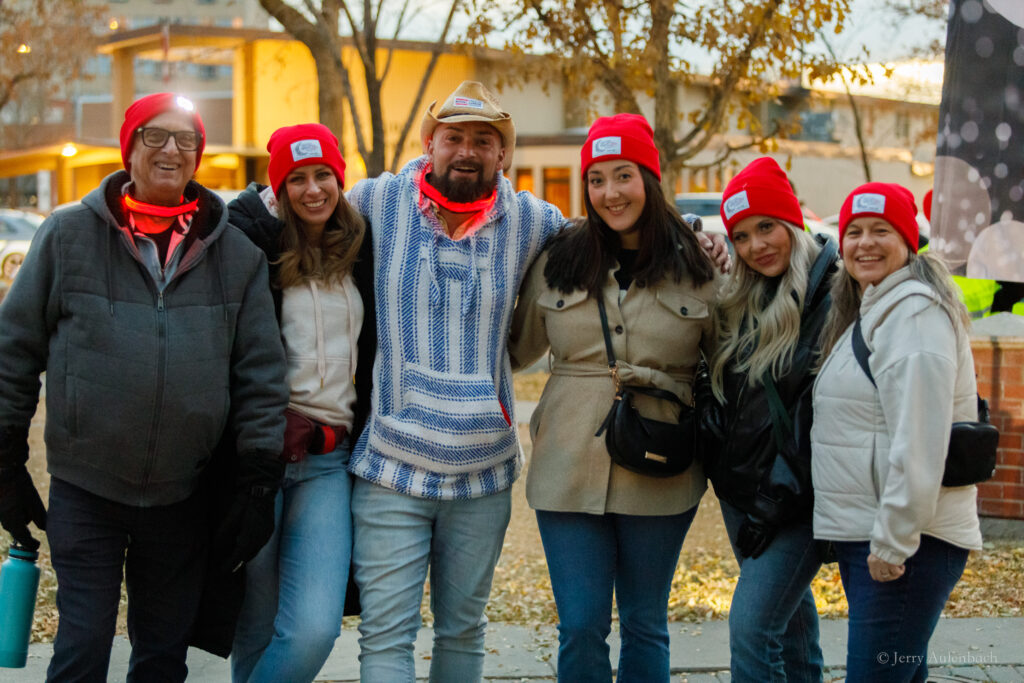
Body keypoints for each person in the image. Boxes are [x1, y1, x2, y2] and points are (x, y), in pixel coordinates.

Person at [0, 93, 288, 682]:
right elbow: (14, 350)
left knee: (162, 658)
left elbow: (260, 374)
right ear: (128, 149)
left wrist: (259, 476)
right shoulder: (66, 235)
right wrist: (3, 458)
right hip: (87, 489)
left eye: (185, 140)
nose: (170, 150)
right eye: (154, 136)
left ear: (198, 157)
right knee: (81, 650)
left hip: (183, 495)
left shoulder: (236, 254)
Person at [508, 113, 718, 682]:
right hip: (566, 467)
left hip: (663, 467)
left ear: (648, 179)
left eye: (622, 175)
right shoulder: (559, 261)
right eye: (596, 179)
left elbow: (728, 368)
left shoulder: (700, 266)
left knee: (646, 621)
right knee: (579, 624)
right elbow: (509, 348)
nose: (609, 192)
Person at [812, 182, 983, 683]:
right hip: (880, 537)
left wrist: (893, 541)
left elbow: (921, 438)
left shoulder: (913, 313)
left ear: (909, 241)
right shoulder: (875, 307)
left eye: (881, 230)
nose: (865, 242)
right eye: (854, 231)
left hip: (908, 545)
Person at [227, 123, 375, 682]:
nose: (313, 190)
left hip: (327, 462)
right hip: (261, 458)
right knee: (257, 623)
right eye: (298, 179)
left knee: (314, 626)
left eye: (324, 176)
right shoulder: (252, 247)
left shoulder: (359, 248)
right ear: (279, 186)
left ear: (339, 179)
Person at [701, 157, 836, 682]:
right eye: (741, 235)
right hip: (743, 497)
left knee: (753, 629)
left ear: (793, 223)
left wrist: (768, 506)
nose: (756, 245)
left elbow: (816, 423)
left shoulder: (833, 296)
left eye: (766, 227)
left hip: (794, 505)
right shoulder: (747, 298)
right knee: (796, 636)